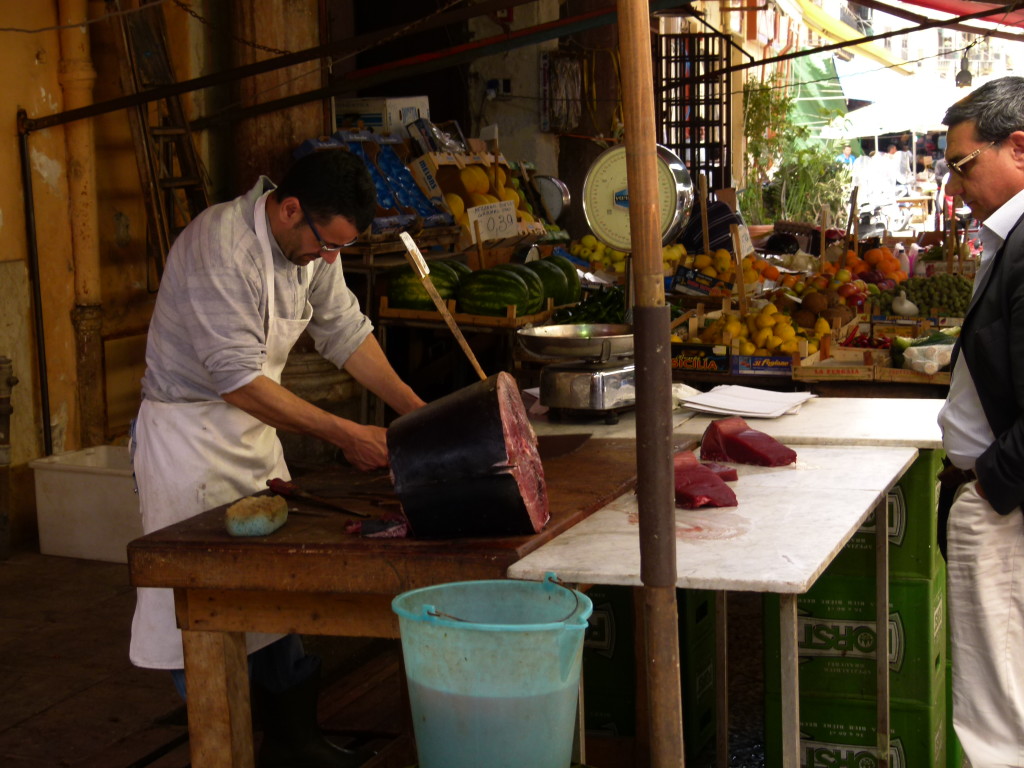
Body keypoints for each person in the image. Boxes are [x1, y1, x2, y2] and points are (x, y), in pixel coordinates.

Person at [129, 148, 427, 767]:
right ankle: (223, 742)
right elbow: (237, 380)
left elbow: (345, 331)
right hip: (189, 443)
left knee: (277, 588)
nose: (327, 259)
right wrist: (349, 434)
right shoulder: (221, 246)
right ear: (289, 209)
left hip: (255, 437)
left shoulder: (316, 246)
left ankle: (296, 743)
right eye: (325, 245)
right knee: (202, 612)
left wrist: (418, 414)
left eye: (337, 250)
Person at [936, 75, 1024, 767]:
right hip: (996, 501)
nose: (956, 187)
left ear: (1018, 147)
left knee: (999, 724)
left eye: (964, 166)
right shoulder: (1008, 239)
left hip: (1005, 509)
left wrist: (991, 485)